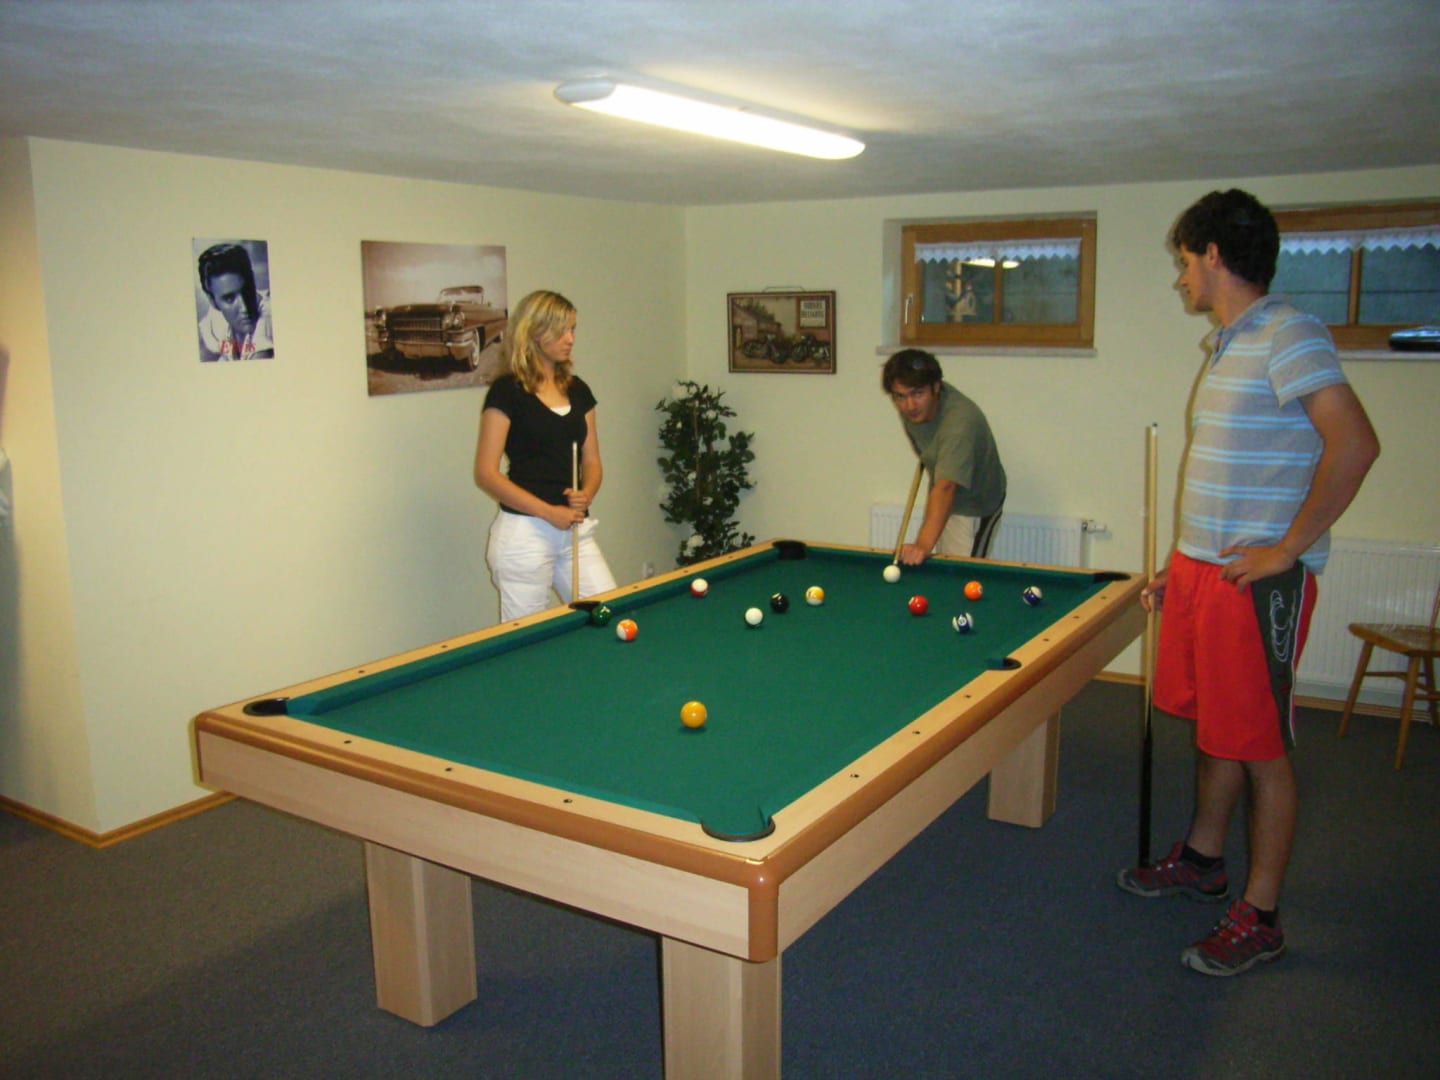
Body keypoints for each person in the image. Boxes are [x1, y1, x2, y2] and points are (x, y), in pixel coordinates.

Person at [1117, 189, 1379, 976]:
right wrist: (1182, 564)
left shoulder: (1289, 332)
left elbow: (1356, 444)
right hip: (1206, 572)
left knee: (1260, 746)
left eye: (1184, 261)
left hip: (1254, 588)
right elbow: (1230, 472)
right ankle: (1204, 859)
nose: (1180, 278)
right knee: (1216, 727)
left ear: (1214, 255)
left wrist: (1288, 549)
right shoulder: (1230, 344)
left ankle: (1261, 915)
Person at [473, 289, 616, 621]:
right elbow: (486, 473)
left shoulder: (578, 390)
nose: (571, 339)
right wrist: (548, 512)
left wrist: (586, 493)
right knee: (527, 637)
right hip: (525, 535)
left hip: (574, 531)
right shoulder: (507, 391)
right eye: (562, 330)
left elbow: (592, 461)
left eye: (573, 329)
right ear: (535, 332)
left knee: (608, 613)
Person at [881, 348, 1006, 564]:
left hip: (975, 503)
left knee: (964, 572)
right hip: (945, 490)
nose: (909, 406)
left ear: (936, 387)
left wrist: (922, 545)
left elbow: (946, 487)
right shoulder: (914, 410)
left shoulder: (959, 425)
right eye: (900, 396)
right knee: (944, 565)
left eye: (918, 393)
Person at [197, 243, 274, 361]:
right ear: (213, 301)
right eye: (229, 299)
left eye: (247, 291)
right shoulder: (213, 320)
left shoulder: (268, 315)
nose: (244, 308)